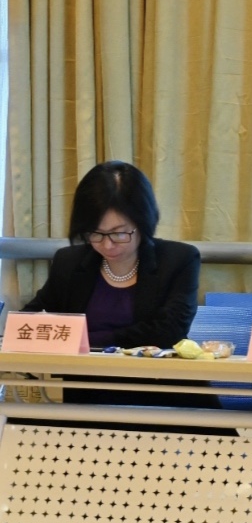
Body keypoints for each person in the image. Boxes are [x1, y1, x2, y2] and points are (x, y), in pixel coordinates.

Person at [22, 160, 224, 420]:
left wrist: (84, 340)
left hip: (167, 400)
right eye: (95, 233)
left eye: (119, 233)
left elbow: (167, 332)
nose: (107, 245)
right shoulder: (69, 262)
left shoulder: (178, 260)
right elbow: (29, 319)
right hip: (88, 400)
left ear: (143, 222)